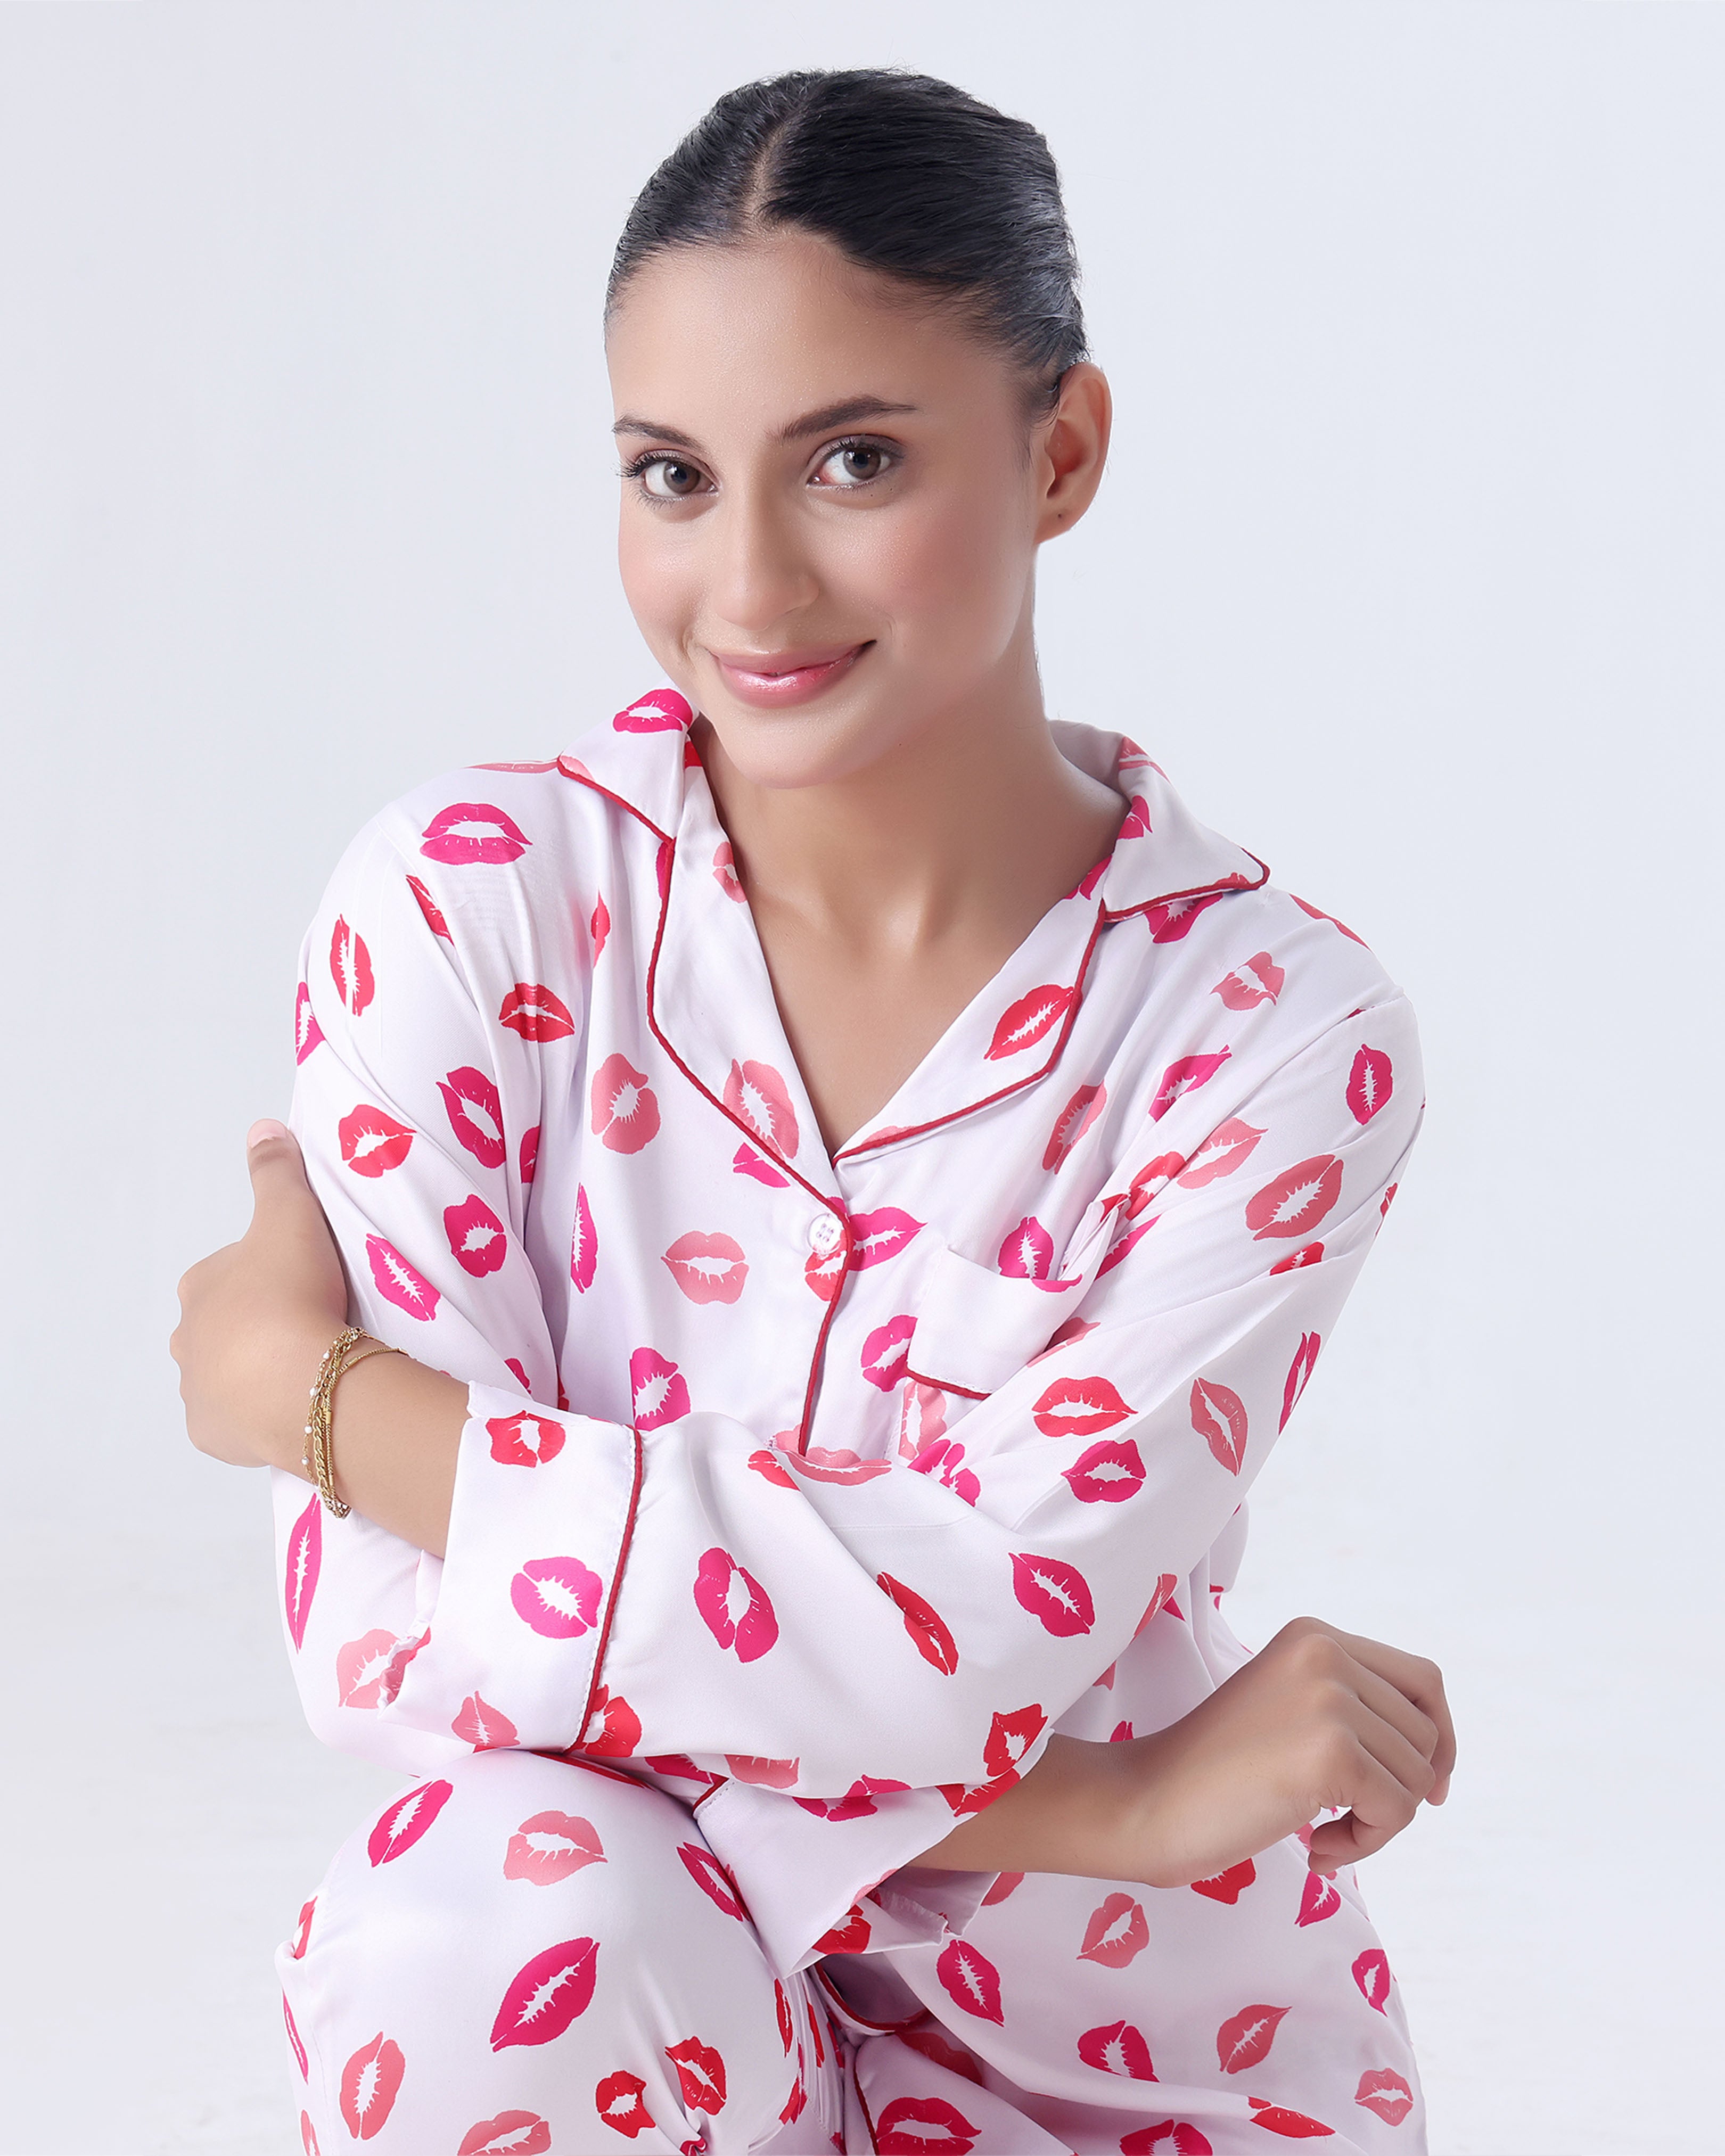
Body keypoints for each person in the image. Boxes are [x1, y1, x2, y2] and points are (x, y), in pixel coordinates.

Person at [172, 68, 1452, 2156]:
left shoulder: (1274, 1035)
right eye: (671, 475)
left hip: (1136, 2068)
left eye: (853, 459)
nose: (749, 584)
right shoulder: (468, 913)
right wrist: (1118, 1791)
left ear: (1064, 451)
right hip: (620, 2017)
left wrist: (315, 1399)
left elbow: (966, 1640)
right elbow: (391, 1648)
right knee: (478, 1916)